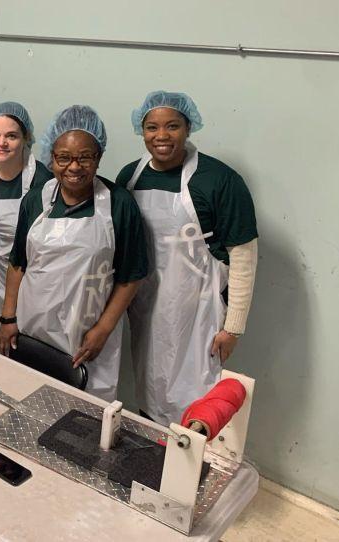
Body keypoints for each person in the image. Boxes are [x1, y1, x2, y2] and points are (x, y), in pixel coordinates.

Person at [116, 91, 258, 424]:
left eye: (172, 126)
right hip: (147, 310)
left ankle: (188, 468)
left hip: (199, 318)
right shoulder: (129, 177)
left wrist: (233, 328)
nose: (161, 136)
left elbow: (243, 258)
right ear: (142, 130)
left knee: (195, 405)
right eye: (152, 127)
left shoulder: (220, 181)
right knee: (149, 389)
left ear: (188, 127)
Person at [0, 106, 148, 401]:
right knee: (28, 402)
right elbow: (17, 265)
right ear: (51, 159)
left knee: (83, 415)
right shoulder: (36, 200)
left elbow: (131, 276)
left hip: (88, 337)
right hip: (32, 329)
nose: (74, 167)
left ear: (98, 158)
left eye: (84, 157)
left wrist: (103, 329)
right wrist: (8, 319)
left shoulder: (118, 204)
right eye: (63, 158)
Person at [0, 102, 54, 344]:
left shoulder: (42, 180)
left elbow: (48, 239)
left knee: (28, 341)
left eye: (11, 136)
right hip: (0, 270)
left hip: (33, 272)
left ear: (26, 138)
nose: (1, 143)